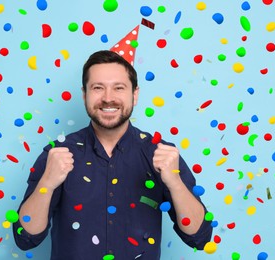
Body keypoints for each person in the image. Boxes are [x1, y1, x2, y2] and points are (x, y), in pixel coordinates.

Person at [13, 50, 213, 259]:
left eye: (119, 88)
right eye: (98, 88)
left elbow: (199, 236)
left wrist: (175, 182)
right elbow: (26, 238)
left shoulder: (161, 154)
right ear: (85, 95)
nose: (108, 98)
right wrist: (48, 182)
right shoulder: (58, 153)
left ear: (134, 95)